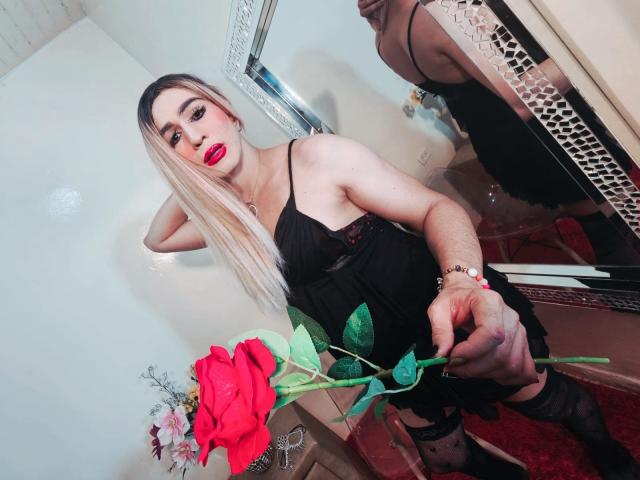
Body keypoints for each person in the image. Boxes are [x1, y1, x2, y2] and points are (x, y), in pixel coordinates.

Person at [138, 73, 638, 479]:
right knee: (446, 457)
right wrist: (188, 172)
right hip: (381, 361)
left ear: (227, 108)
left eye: (197, 113)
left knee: (547, 400)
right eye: (174, 137)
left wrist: (462, 281)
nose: (195, 136)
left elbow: (435, 209)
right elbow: (157, 239)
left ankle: (604, 445)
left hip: (438, 314)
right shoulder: (230, 222)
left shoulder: (316, 158)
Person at [358, 0, 640, 264]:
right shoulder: (435, 16)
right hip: (545, 137)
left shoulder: (382, 39)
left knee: (602, 222)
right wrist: (590, 45)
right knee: (616, 222)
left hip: (502, 145)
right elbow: (524, 98)